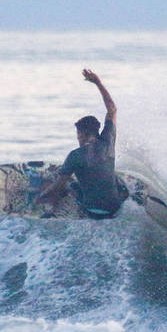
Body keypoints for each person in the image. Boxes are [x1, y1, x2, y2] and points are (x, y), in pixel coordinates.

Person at [35, 68, 129, 219]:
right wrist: (98, 83)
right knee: (119, 181)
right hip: (115, 209)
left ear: (83, 134)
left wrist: (41, 196)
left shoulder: (75, 156)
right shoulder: (108, 141)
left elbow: (58, 185)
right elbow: (112, 108)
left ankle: (51, 208)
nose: (77, 139)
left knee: (69, 186)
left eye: (78, 135)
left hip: (92, 211)